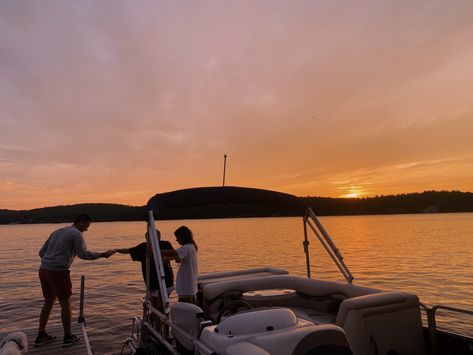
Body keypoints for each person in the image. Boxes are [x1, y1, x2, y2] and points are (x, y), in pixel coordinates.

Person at [36, 214, 115, 347]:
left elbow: (41, 253)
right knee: (65, 303)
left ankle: (41, 335)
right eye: (86, 226)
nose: (86, 230)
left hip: (43, 270)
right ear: (81, 222)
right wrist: (102, 254)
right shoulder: (76, 234)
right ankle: (68, 337)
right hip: (58, 272)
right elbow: (83, 254)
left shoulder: (57, 231)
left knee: (48, 302)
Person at [115, 229, 174, 328]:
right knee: (155, 307)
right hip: (152, 282)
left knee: (161, 306)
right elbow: (129, 250)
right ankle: (158, 329)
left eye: (155, 236)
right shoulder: (144, 247)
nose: (152, 239)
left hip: (166, 280)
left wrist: (167, 258)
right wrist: (116, 250)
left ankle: (163, 329)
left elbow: (174, 254)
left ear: (159, 236)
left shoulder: (165, 244)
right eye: (149, 237)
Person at [162, 226, 198, 303]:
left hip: (186, 285)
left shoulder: (187, 247)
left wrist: (156, 251)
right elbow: (178, 259)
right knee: (187, 305)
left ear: (183, 237)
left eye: (178, 237)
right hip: (189, 284)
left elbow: (173, 252)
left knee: (184, 305)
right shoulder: (191, 247)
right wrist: (169, 259)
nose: (176, 240)